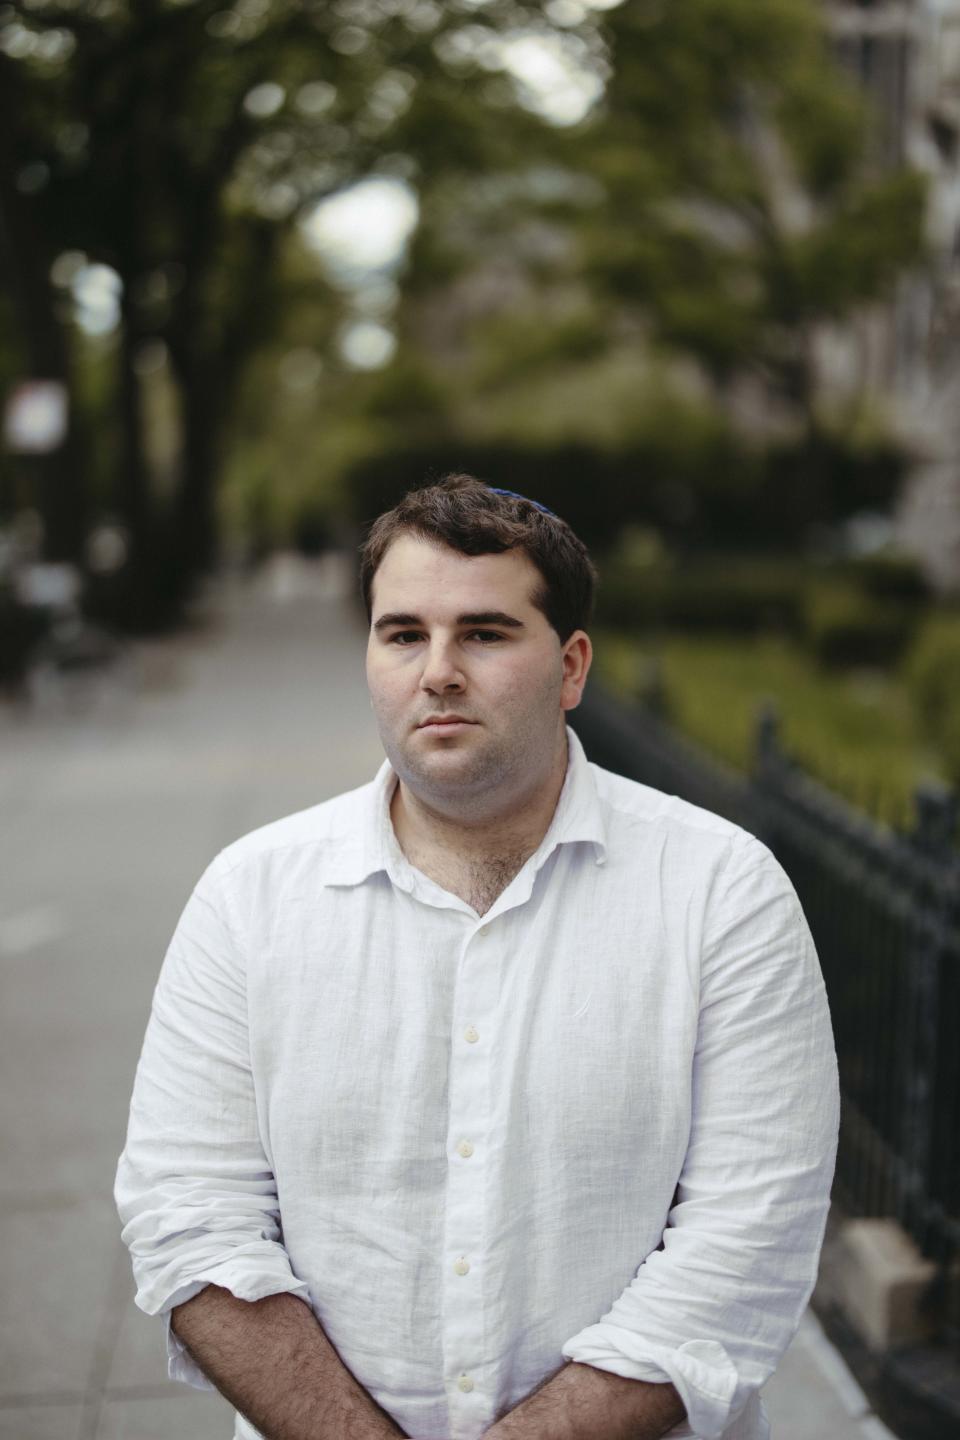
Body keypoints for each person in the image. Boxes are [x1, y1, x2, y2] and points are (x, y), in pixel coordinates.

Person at [114, 474, 839, 1440]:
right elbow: (188, 1217)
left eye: (486, 634)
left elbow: (747, 1246)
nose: (438, 671)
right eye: (403, 633)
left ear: (572, 668)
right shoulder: (250, 897)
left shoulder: (722, 894)